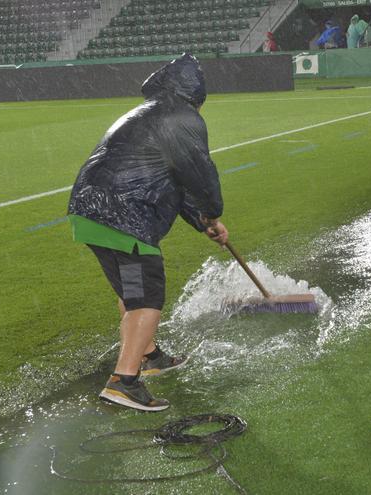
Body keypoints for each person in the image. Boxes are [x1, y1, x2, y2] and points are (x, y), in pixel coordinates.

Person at [67, 54, 228, 412]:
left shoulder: (147, 111)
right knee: (147, 299)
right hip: (126, 215)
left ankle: (150, 355)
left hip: (90, 214)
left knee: (132, 292)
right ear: (195, 91)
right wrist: (213, 211)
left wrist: (204, 222)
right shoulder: (183, 118)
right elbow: (198, 174)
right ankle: (124, 382)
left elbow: (171, 181)